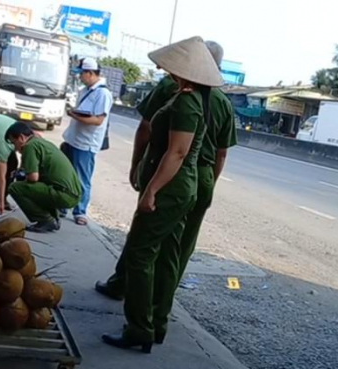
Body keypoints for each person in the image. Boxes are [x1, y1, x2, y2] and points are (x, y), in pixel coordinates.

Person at [94, 41, 238, 324]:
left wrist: (147, 182)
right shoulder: (217, 100)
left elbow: (173, 148)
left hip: (170, 174)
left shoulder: (181, 97)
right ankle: (159, 314)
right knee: (176, 248)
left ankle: (138, 322)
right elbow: (221, 153)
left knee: (142, 248)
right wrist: (206, 184)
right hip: (199, 176)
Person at [61, 57, 114, 226]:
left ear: (90, 73)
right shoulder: (85, 90)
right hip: (72, 139)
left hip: (86, 143)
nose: (80, 77)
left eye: (82, 74)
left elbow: (98, 120)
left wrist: (74, 115)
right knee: (65, 175)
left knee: (82, 179)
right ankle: (62, 205)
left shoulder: (103, 93)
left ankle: (80, 211)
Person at [6, 123, 82, 233]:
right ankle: (53, 218)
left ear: (22, 137)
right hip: (74, 194)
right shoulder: (41, 142)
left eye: (14, 142)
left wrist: (19, 174)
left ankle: (45, 220)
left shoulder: (30, 146)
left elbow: (33, 178)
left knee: (15, 188)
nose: (15, 148)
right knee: (38, 187)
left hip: (64, 194)